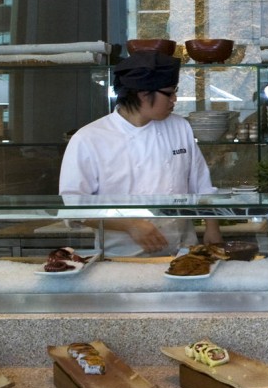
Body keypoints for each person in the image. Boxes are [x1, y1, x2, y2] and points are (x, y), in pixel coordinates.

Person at [59, 52, 222, 256]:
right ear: (143, 94)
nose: (175, 99)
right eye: (169, 93)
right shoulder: (89, 138)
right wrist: (128, 224)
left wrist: (212, 228)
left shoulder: (180, 127)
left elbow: (201, 185)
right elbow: (74, 207)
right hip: (121, 259)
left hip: (183, 252)